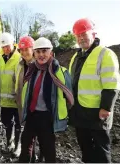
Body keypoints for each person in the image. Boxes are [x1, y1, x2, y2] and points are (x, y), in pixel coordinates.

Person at [68, 18, 120, 163]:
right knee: (85, 148)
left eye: (84, 33)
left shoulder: (105, 54)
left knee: (101, 150)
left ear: (93, 33)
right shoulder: (76, 57)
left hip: (97, 113)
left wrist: (106, 107)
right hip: (80, 111)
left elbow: (112, 83)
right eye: (78, 35)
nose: (81, 38)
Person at [18, 37, 74, 162]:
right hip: (32, 115)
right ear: (34, 53)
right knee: (26, 143)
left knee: (48, 149)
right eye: (38, 52)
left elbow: (69, 96)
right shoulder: (32, 70)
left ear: (51, 53)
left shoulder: (60, 72)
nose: (41, 55)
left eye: (44, 51)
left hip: (47, 118)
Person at [0, 32, 21, 153]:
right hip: (4, 100)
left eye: (7, 46)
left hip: (16, 100)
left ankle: (18, 146)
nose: (5, 49)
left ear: (13, 44)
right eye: (3, 47)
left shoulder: (19, 58)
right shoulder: (0, 58)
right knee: (7, 122)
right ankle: (9, 143)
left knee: (18, 124)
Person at [14, 36, 35, 158]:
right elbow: (15, 81)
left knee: (33, 135)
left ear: (32, 49)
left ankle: (37, 157)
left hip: (35, 107)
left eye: (27, 49)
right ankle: (30, 157)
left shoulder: (38, 64)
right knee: (27, 134)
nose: (24, 52)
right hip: (22, 104)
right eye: (22, 50)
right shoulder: (20, 64)